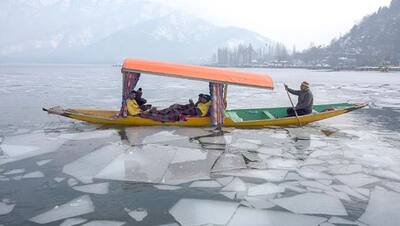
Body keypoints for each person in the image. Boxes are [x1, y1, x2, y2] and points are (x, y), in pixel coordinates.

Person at [140, 93, 212, 122]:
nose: (201, 99)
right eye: (201, 98)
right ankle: (158, 111)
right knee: (175, 106)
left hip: (195, 111)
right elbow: (194, 106)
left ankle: (152, 114)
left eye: (203, 98)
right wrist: (196, 102)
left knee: (174, 113)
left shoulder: (208, 104)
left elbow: (197, 112)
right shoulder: (201, 102)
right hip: (193, 109)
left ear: (207, 100)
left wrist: (192, 105)